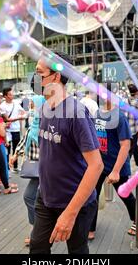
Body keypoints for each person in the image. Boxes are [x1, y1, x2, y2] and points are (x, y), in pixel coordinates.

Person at [30, 52, 103, 254]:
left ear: (55, 77)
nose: (34, 79)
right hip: (45, 197)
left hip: (75, 203)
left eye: (39, 73)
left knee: (77, 251)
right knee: (37, 248)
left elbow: (96, 165)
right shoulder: (45, 107)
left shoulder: (76, 113)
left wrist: (70, 213)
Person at [89, 84, 137, 240]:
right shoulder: (97, 113)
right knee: (92, 195)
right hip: (99, 164)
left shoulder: (119, 117)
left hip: (116, 166)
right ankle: (90, 228)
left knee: (125, 194)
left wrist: (116, 170)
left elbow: (125, 145)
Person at [9, 95, 45, 246]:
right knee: (31, 198)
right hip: (36, 169)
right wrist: (16, 154)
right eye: (30, 104)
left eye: (33, 104)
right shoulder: (35, 121)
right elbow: (26, 137)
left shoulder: (48, 122)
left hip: (48, 170)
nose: (31, 107)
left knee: (34, 199)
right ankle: (39, 230)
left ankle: (39, 233)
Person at [0, 87, 26, 172]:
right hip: (7, 131)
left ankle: (15, 166)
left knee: (16, 149)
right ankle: (7, 168)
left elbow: (23, 112)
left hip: (16, 130)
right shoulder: (2, 106)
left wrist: (23, 115)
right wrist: (19, 118)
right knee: (7, 149)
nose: (12, 96)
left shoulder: (16, 103)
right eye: (10, 94)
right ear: (5, 96)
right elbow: (6, 119)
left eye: (12, 94)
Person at [126, 84, 138, 170]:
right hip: (133, 130)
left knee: (133, 146)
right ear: (136, 92)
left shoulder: (125, 100)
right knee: (130, 149)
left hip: (126, 128)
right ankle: (125, 168)